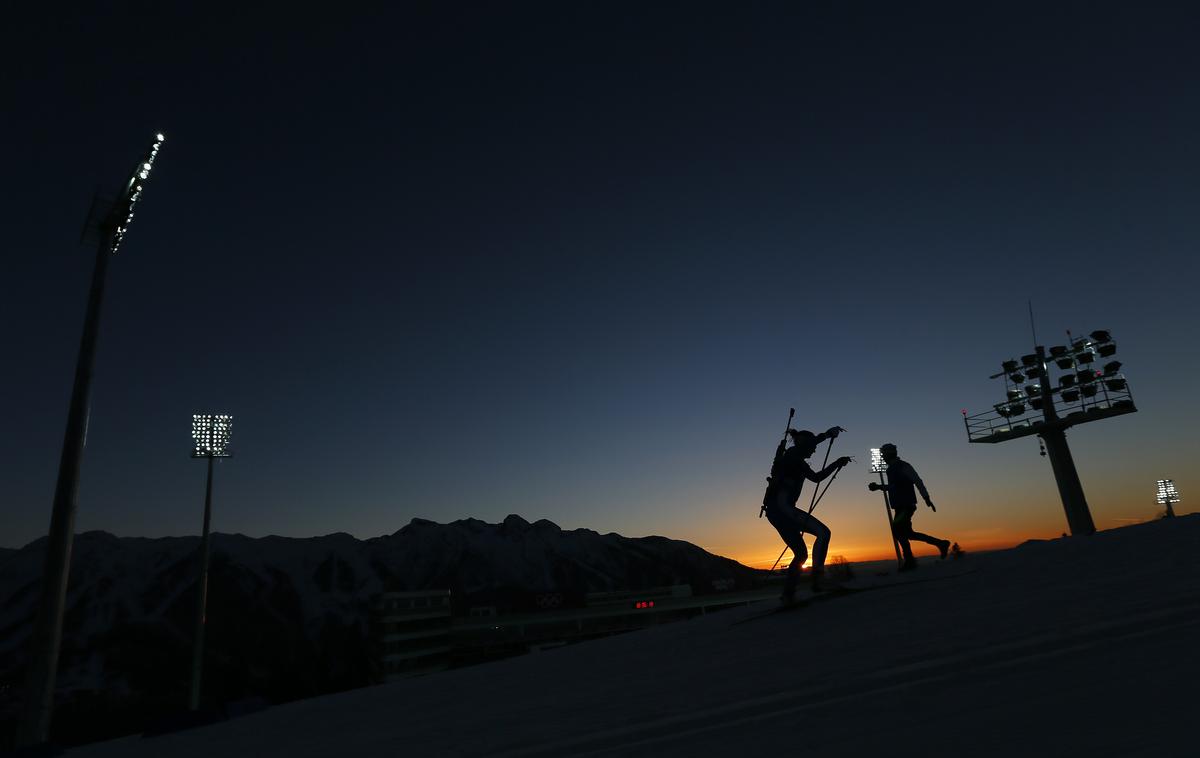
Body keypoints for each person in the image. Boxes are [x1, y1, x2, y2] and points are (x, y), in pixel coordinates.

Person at [763, 426, 852, 601]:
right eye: (812, 446)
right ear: (805, 445)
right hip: (784, 509)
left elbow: (816, 476)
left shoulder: (790, 458)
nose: (814, 449)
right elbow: (816, 477)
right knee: (824, 533)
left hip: (774, 512)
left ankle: (788, 593)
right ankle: (818, 581)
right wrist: (827, 435)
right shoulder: (794, 458)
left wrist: (835, 461)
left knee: (801, 554)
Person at [868, 443, 950, 571]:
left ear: (889, 454)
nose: (882, 457)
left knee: (898, 530)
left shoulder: (903, 466)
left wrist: (926, 497)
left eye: (884, 454)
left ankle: (910, 561)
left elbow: (916, 481)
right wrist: (879, 487)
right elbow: (896, 486)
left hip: (906, 505)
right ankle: (940, 544)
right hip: (901, 506)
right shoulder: (892, 469)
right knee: (907, 534)